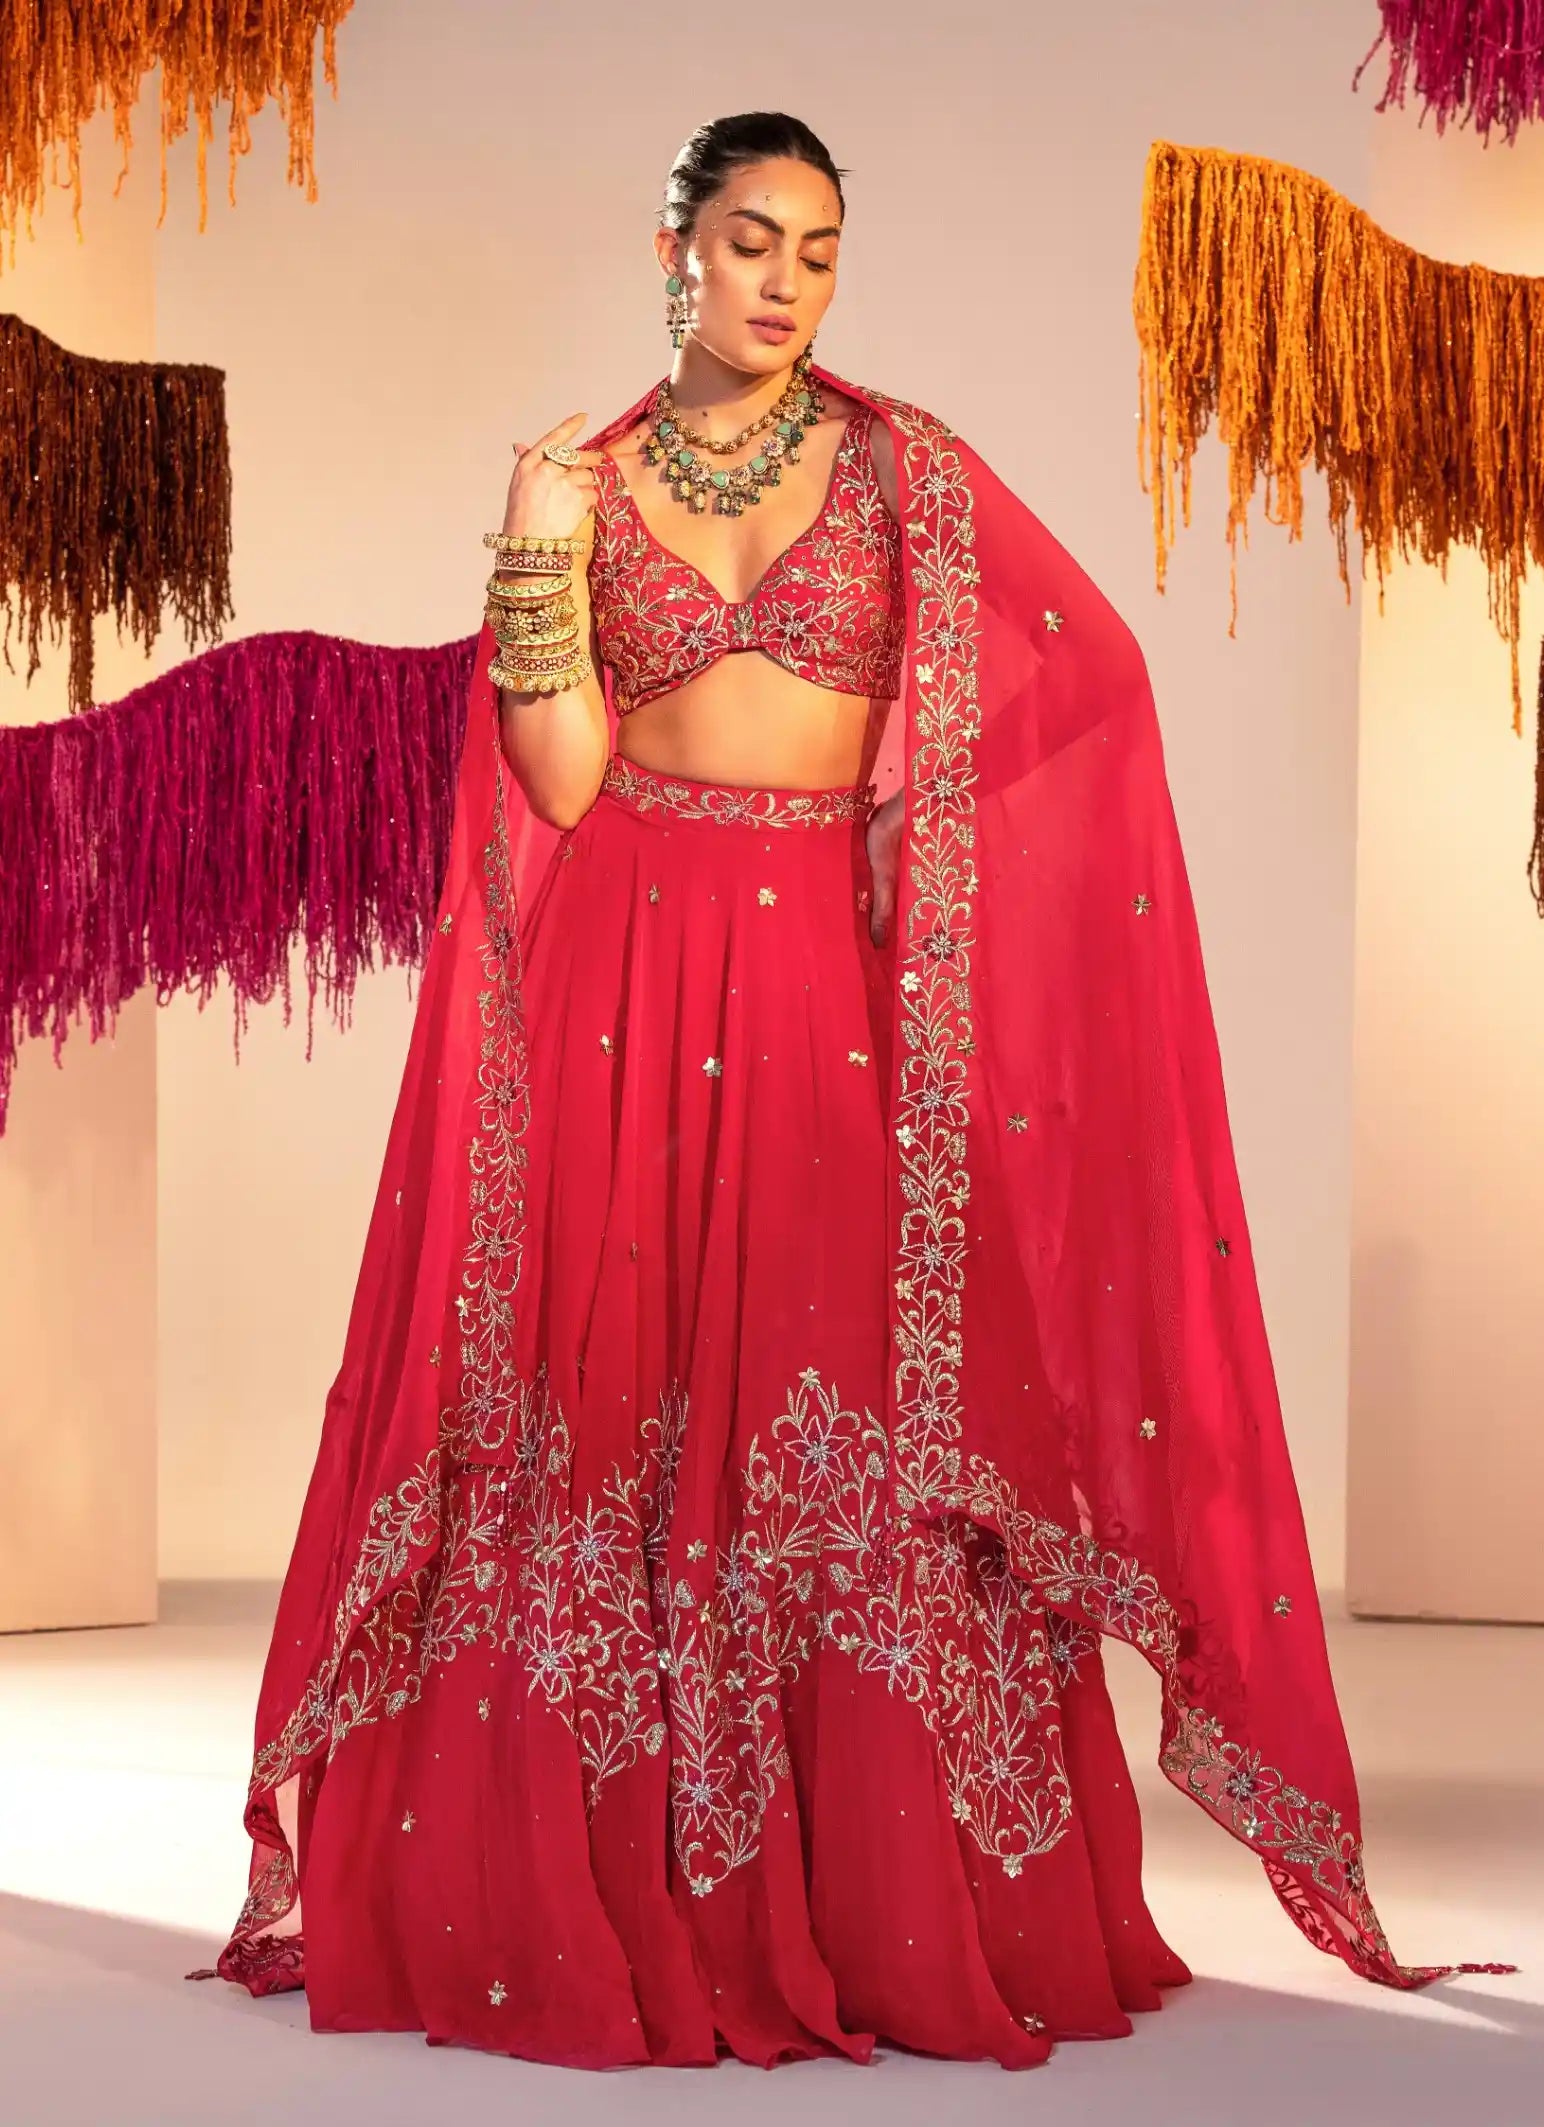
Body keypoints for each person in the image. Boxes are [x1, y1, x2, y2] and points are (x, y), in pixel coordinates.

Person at [201, 111, 1504, 2068]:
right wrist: (534, 550)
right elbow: (560, 782)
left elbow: (1086, 685)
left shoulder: (907, 472)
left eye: (818, 250)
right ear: (673, 250)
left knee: (842, 1400)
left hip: (820, 971)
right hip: (621, 972)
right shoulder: (582, 480)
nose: (786, 283)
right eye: (751, 241)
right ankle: (576, 1879)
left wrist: (935, 894)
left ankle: (859, 1893)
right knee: (601, 1391)